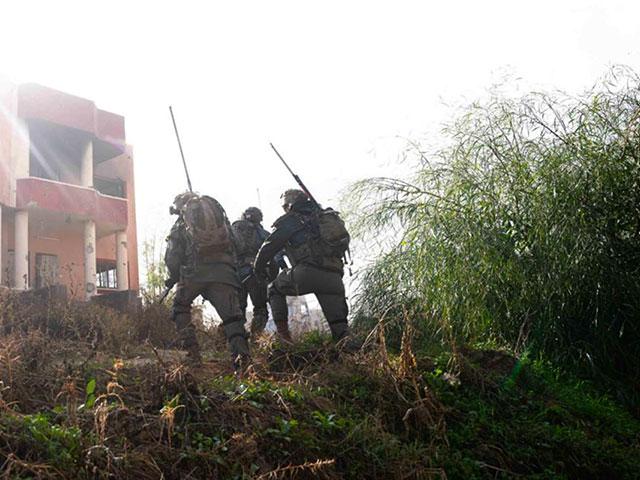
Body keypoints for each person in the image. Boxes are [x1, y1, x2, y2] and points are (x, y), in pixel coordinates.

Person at [253, 189, 353, 345]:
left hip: (307, 272)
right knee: (340, 330)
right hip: (334, 276)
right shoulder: (325, 217)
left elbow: (268, 248)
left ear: (289, 204)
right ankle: (351, 356)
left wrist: (258, 269)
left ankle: (284, 338)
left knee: (274, 289)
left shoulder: (291, 220)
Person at [164, 192, 250, 369]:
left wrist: (173, 276)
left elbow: (172, 257)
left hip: (193, 274)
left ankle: (193, 355)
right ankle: (243, 361)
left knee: (180, 307)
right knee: (233, 318)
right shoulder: (221, 221)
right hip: (224, 274)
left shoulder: (180, 225)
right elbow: (239, 245)